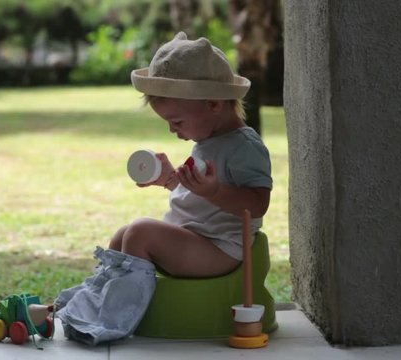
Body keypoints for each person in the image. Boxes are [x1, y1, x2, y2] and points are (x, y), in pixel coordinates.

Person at [53, 32, 272, 346]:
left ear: (212, 104)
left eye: (177, 121)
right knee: (123, 235)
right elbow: (197, 199)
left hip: (220, 249)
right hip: (194, 238)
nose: (173, 130)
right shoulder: (208, 140)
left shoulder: (244, 147)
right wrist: (170, 180)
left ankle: (112, 320)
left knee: (140, 232)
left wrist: (214, 192)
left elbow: (258, 204)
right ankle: (93, 305)